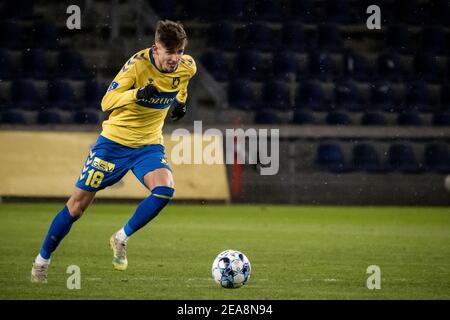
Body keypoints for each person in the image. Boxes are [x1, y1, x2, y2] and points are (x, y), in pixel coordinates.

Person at [31, 20, 196, 283]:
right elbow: (106, 102)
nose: (175, 59)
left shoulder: (187, 65)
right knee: (76, 207)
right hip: (114, 143)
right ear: (156, 48)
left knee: (165, 190)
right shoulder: (137, 65)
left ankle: (121, 237)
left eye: (179, 52)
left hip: (148, 145)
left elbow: (183, 84)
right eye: (169, 53)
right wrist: (137, 94)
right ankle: (42, 260)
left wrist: (181, 103)